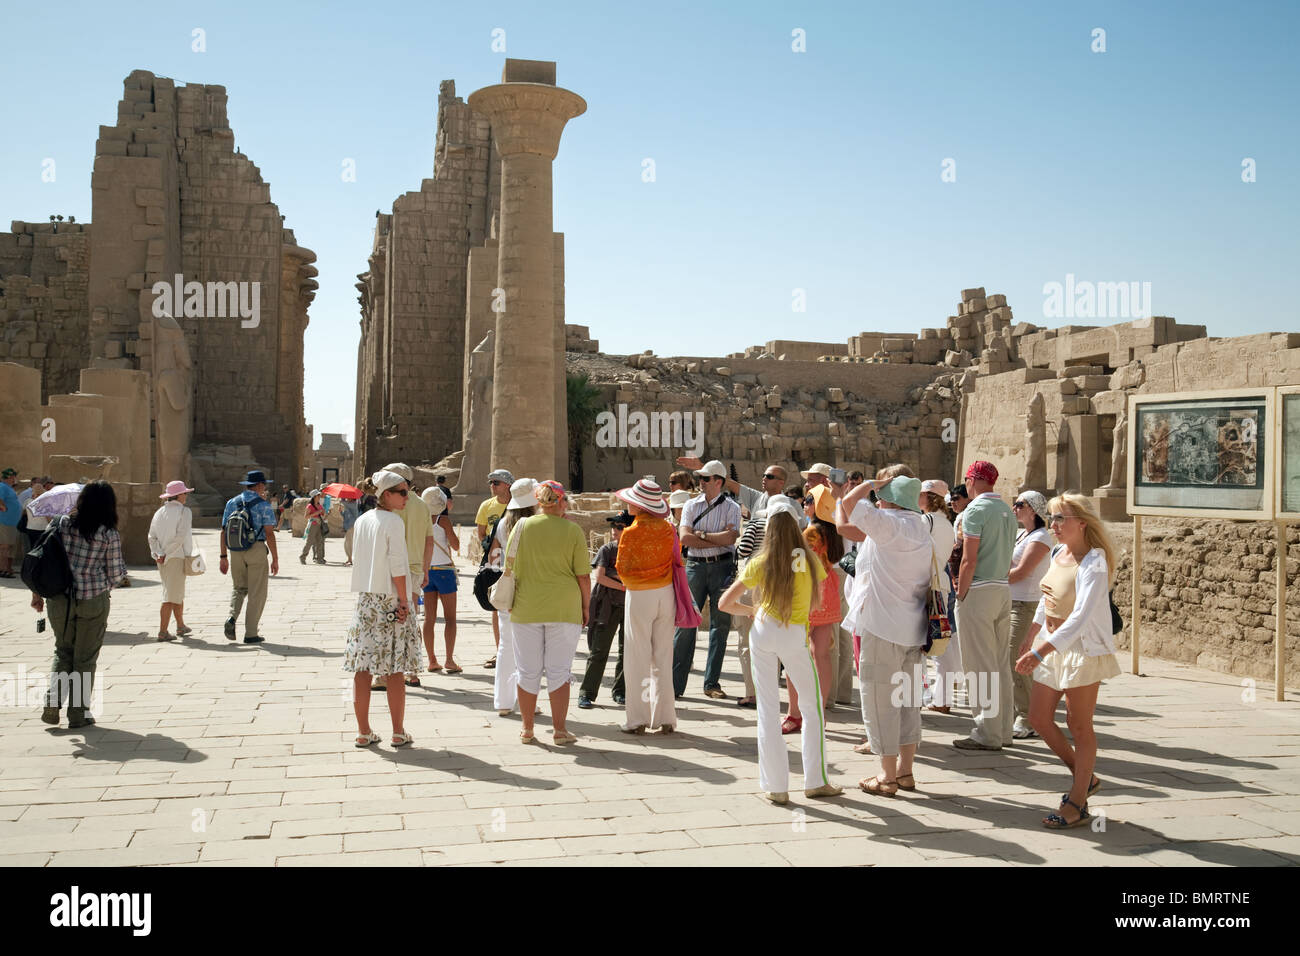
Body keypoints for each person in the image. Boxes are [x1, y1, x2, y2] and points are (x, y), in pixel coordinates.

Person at [719, 498, 843, 804]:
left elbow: (725, 604)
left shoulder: (762, 561)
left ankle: (776, 786)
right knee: (812, 707)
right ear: (797, 524)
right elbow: (823, 590)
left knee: (767, 708)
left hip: (764, 628)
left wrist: (752, 610)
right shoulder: (810, 559)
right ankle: (815, 780)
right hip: (794, 632)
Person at [1015, 493, 1121, 828]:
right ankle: (1084, 776)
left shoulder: (1095, 560)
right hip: (1051, 644)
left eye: (1061, 518)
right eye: (1052, 517)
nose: (1054, 525)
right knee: (1038, 718)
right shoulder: (1059, 553)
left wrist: (1039, 652)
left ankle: (1077, 803)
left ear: (1082, 523)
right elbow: (1046, 600)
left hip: (1081, 650)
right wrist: (1032, 636)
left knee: (1079, 725)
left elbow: (1079, 617)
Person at [837, 466, 934, 797]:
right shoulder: (921, 526)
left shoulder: (890, 525)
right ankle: (906, 772)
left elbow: (848, 502)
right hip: (914, 628)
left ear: (889, 501)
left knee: (880, 702)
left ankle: (887, 777)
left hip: (883, 626)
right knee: (908, 702)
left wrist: (869, 484)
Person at [30, 480, 126, 728]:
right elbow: (116, 574)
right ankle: (78, 713)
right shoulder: (108, 533)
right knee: (85, 658)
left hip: (60, 599)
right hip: (93, 599)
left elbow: (42, 556)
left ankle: (52, 702)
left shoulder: (60, 523)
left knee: (63, 651)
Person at [503, 480, 590, 745]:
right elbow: (583, 577)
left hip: (526, 605)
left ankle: (528, 728)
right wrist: (586, 607)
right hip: (564, 606)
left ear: (538, 502)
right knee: (559, 671)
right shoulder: (572, 530)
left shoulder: (521, 526)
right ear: (561, 502)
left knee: (527, 671)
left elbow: (510, 565)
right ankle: (560, 730)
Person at [344, 469, 424, 748]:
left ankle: (363, 731)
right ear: (386, 495)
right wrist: (404, 600)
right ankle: (398, 731)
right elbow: (398, 565)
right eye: (402, 492)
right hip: (390, 598)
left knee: (362, 667)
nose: (407, 497)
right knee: (395, 669)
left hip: (366, 599)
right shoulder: (393, 521)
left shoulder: (364, 520)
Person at [952, 461, 1018, 751]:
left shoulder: (975, 510)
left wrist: (962, 593)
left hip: (978, 590)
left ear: (975, 480)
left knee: (979, 665)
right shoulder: (1006, 510)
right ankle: (1003, 729)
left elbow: (969, 558)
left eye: (967, 479)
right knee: (1000, 663)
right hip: (1002, 589)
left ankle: (986, 731)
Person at [673, 459, 742, 699]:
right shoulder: (691, 505)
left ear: (718, 482)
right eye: (700, 478)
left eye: (705, 478)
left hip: (721, 567)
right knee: (685, 624)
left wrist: (700, 534)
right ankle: (675, 685)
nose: (700, 482)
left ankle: (711, 682)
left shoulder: (732, 507)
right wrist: (714, 538)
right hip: (696, 566)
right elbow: (684, 538)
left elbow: (731, 538)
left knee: (720, 626)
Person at [613, 480, 678, 733]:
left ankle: (637, 719)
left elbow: (622, 568)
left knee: (636, 656)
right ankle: (665, 718)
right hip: (666, 592)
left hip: (640, 594)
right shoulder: (669, 529)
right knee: (663, 655)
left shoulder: (631, 533)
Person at [784, 485, 842, 734]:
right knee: (822, 656)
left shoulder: (811, 532)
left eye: (808, 500)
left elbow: (797, 565)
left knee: (794, 655)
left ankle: (794, 713)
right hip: (827, 593)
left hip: (806, 594)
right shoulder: (832, 531)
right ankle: (818, 713)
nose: (805, 503)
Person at [380, 463, 434, 687]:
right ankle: (412, 671)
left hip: (392, 570)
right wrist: (426, 568)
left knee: (388, 622)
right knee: (410, 621)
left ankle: (385, 672)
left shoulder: (392, 504)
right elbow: (429, 540)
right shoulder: (422, 505)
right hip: (414, 569)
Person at [487, 478, 536, 717]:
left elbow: (493, 559)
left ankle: (503, 701)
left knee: (506, 646)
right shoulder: (535, 524)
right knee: (529, 649)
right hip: (529, 589)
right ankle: (528, 699)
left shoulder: (503, 523)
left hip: (508, 586)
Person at [1008, 490, 1053, 738]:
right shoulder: (1020, 534)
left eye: (1019, 504)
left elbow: (1023, 571)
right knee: (1012, 657)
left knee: (1016, 656)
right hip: (1011, 601)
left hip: (1027, 604)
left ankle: (1027, 717)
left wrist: (991, 578)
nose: (1014, 508)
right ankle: (1024, 713)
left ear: (1033, 509)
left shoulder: (1041, 537)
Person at [577, 511, 631, 710]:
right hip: (607, 606)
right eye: (613, 526)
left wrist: (615, 575)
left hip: (629, 606)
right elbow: (600, 577)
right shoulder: (608, 549)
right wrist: (625, 584)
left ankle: (620, 692)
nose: (614, 530)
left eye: (619, 527)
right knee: (599, 650)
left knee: (628, 652)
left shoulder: (636, 550)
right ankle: (587, 693)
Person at [919, 480, 964, 715]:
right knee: (940, 643)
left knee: (930, 645)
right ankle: (941, 696)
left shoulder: (926, 521)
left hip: (928, 585)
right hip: (941, 585)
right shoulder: (946, 522)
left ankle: (937, 697)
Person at [219, 470, 279, 643]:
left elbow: (223, 531)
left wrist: (223, 556)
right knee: (257, 592)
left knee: (239, 588)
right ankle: (251, 633)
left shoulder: (232, 502)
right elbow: (269, 534)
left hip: (235, 550)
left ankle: (232, 617)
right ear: (259, 485)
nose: (265, 488)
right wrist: (275, 558)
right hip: (256, 548)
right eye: (264, 485)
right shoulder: (263, 505)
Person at [420, 485, 461, 677]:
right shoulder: (442, 520)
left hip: (427, 570)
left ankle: (431, 660)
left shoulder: (420, 519)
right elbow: (455, 544)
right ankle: (450, 660)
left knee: (429, 618)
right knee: (450, 618)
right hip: (444, 569)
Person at [148, 480, 196, 642]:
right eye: (185, 493)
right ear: (179, 495)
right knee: (170, 595)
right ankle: (163, 631)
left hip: (162, 559)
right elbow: (180, 537)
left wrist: (158, 554)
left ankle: (181, 625)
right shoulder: (185, 512)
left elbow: (151, 537)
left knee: (176, 591)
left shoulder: (159, 512)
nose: (186, 496)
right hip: (175, 557)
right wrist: (166, 554)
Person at [477, 469, 514, 668]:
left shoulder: (517, 505)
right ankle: (500, 649)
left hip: (518, 561)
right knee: (497, 605)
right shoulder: (487, 505)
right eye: (490, 482)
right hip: (497, 562)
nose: (492, 486)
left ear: (508, 485)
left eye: (496, 483)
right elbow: (482, 533)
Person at [0, 467, 21, 577]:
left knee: (9, 547)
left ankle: (8, 569)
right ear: (9, 477)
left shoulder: (9, 488)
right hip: (5, 522)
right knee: (4, 546)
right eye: (14, 477)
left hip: (12, 523)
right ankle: (2, 570)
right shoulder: (2, 486)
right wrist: (3, 508)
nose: (15, 479)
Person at [299, 490, 327, 565]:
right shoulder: (310, 506)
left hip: (319, 525)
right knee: (309, 542)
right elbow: (306, 516)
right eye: (318, 496)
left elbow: (323, 516)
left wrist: (323, 513)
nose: (319, 497)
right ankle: (302, 557)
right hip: (313, 525)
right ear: (314, 497)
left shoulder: (320, 505)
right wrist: (316, 513)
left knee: (320, 542)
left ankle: (320, 558)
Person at [340, 493, 359, 566]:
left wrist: (342, 496)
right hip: (348, 526)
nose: (347, 498)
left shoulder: (353, 504)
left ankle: (350, 559)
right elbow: (345, 515)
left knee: (349, 542)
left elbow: (343, 502)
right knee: (347, 543)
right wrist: (341, 512)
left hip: (351, 525)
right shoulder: (348, 505)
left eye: (348, 496)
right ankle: (349, 558)